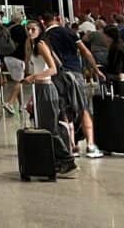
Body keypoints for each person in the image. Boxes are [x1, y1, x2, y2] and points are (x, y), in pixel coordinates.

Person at [42, 11, 105, 159]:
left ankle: (71, 146)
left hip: (58, 75)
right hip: (75, 73)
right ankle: (90, 145)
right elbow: (85, 52)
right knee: (83, 107)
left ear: (43, 22)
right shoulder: (69, 32)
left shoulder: (44, 37)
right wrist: (95, 69)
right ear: (57, 19)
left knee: (64, 109)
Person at [23, 21, 77, 176]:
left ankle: (67, 159)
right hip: (40, 88)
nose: (30, 32)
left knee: (49, 128)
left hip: (47, 88)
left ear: (40, 30)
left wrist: (34, 76)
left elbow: (53, 69)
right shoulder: (34, 45)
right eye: (28, 29)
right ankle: (57, 160)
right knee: (44, 126)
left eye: (33, 29)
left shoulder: (41, 45)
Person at [102, 25, 124, 97]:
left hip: (116, 76)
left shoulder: (115, 48)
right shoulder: (120, 45)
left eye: (105, 36)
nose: (104, 38)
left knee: (117, 96)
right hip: (122, 75)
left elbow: (116, 64)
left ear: (110, 36)